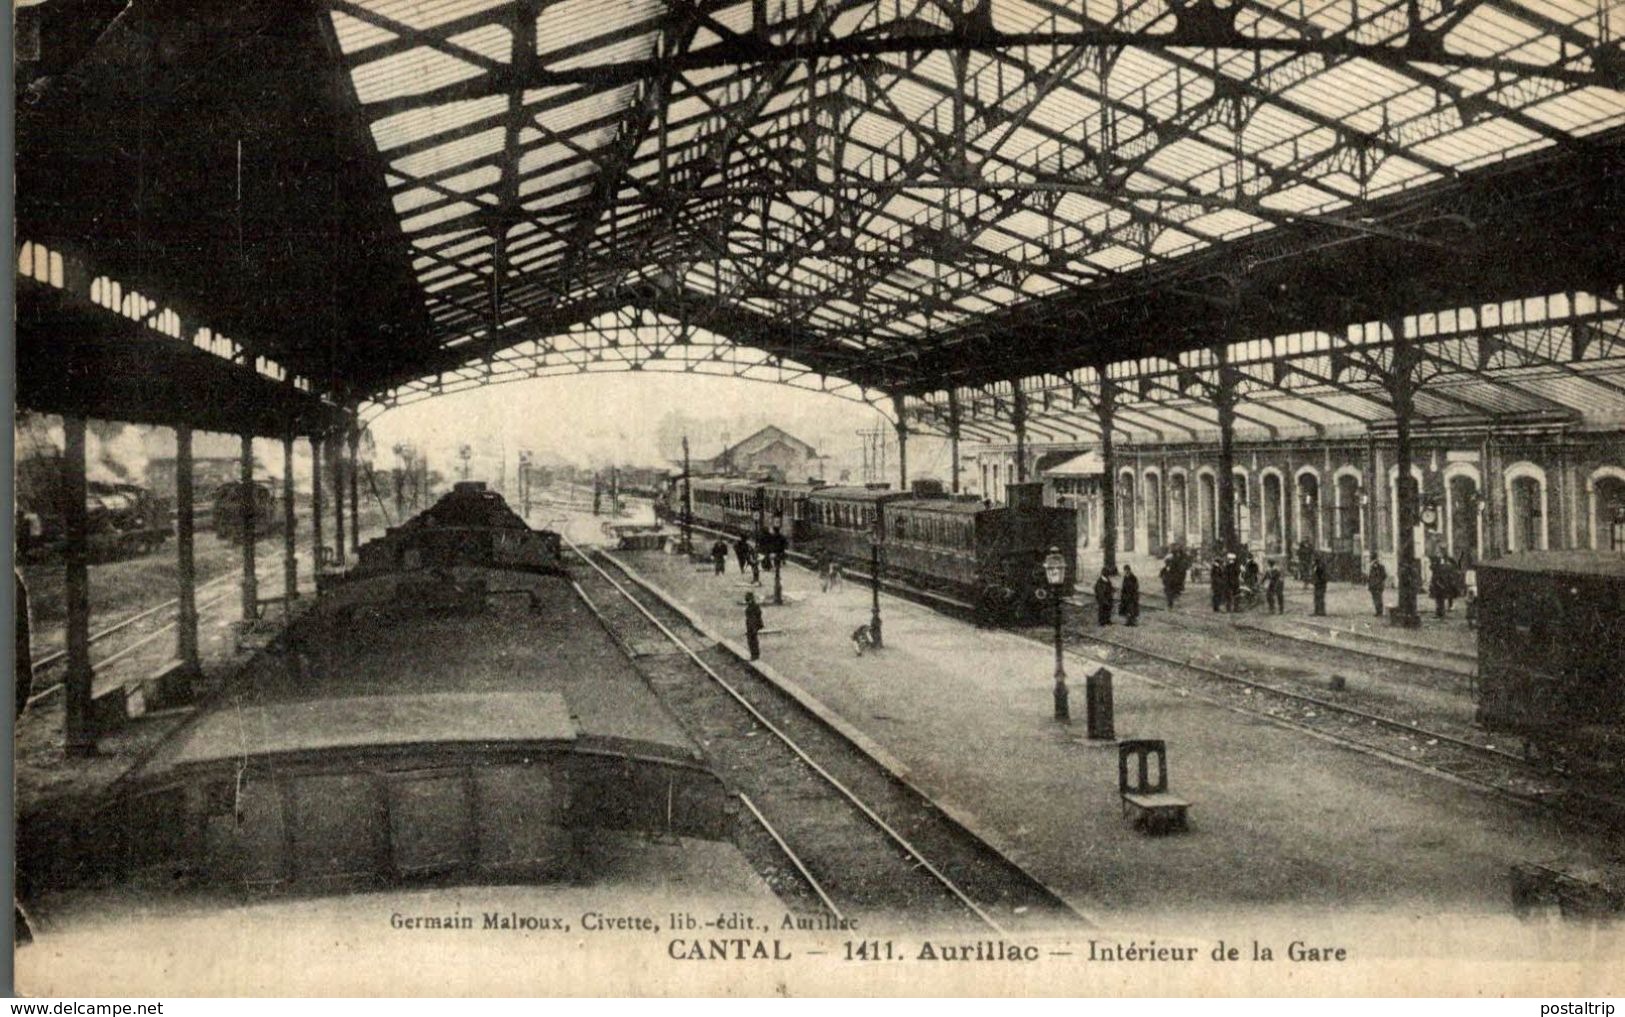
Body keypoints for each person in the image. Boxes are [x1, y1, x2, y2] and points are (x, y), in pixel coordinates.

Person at [744, 592, 764, 661]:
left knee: (752, 640)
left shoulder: (753, 607)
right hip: (751, 626)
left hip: (753, 626)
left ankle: (755, 655)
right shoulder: (753, 606)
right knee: (752, 640)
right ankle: (754, 654)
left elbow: (756, 616)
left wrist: (754, 627)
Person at [1429, 555, 1449, 619]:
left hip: (1439, 586)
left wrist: (1440, 584)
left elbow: (1439, 578)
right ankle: (1440, 613)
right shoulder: (1439, 568)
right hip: (1438, 586)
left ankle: (1441, 613)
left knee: (1440, 600)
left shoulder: (1438, 568)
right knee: (1439, 600)